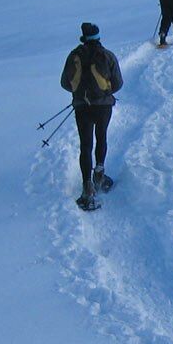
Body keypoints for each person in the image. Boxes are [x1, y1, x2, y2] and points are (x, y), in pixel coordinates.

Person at [59, 22, 123, 210]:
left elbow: (65, 82)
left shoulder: (74, 56)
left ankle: (87, 186)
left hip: (82, 106)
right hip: (103, 105)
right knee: (101, 137)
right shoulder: (107, 56)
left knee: (85, 144)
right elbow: (118, 83)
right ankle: (99, 175)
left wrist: (79, 92)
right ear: (98, 37)